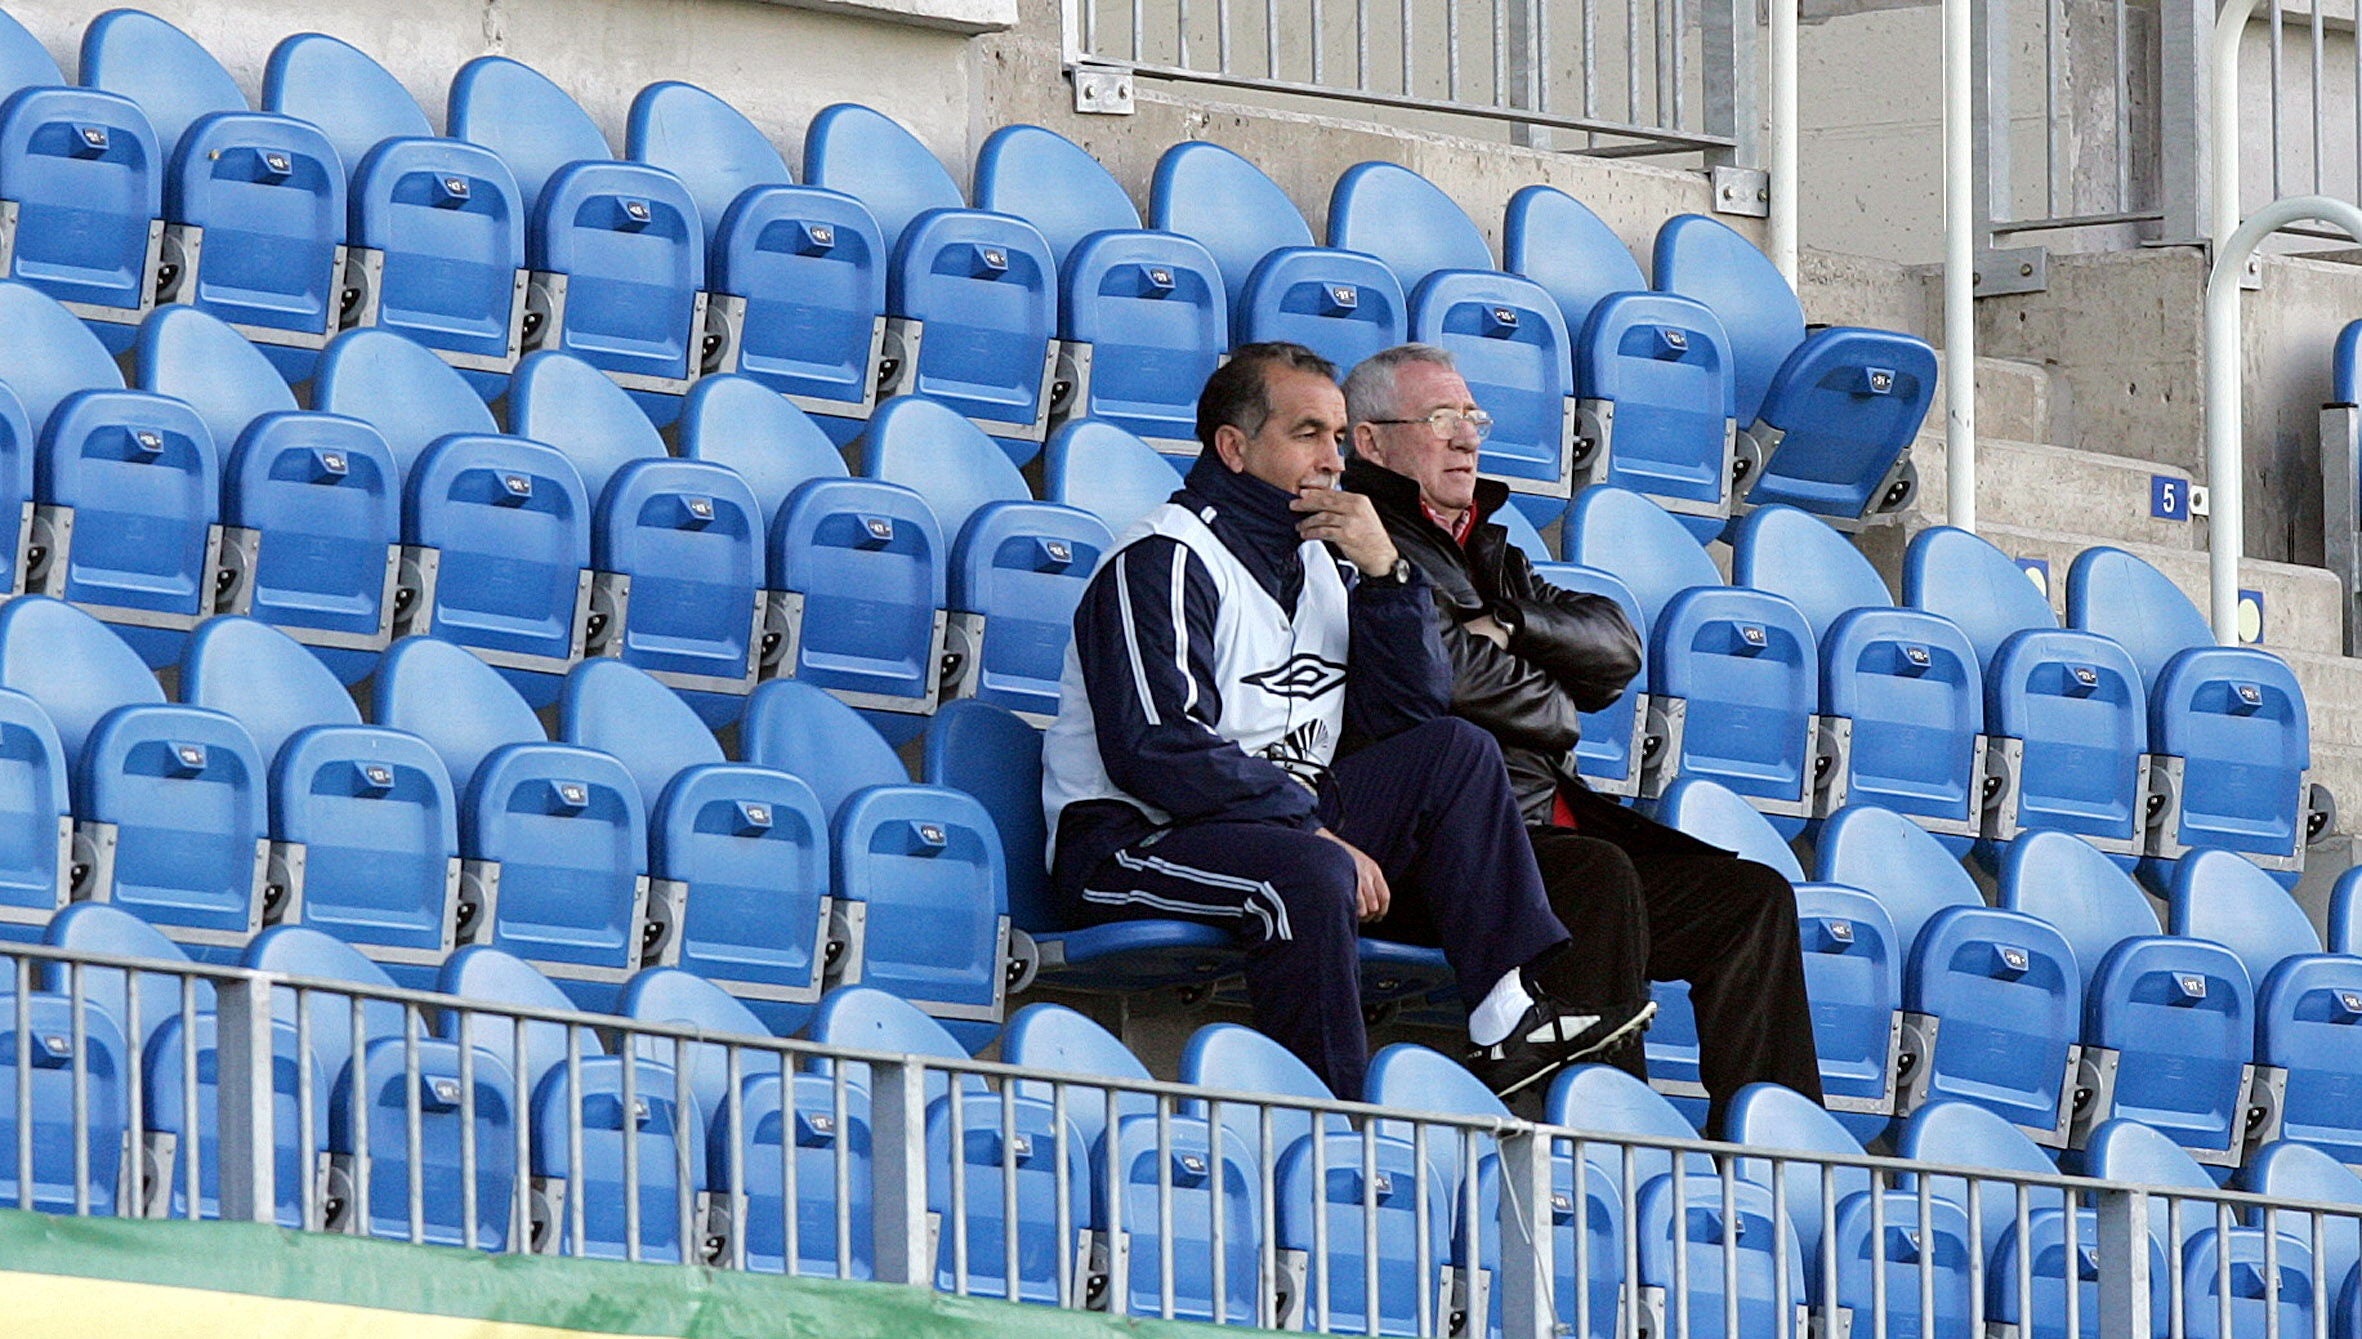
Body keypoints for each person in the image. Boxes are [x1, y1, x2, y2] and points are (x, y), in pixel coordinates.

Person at [1041, 342, 1657, 1102]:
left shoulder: (1329, 563)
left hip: (1285, 819)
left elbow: (1410, 716)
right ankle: (1333, 1123)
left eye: (1337, 436)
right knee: (1308, 873)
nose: (1333, 458)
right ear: (1234, 447)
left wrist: (1387, 575)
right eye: (1307, 434)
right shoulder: (1163, 558)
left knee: (1456, 751)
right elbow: (1155, 747)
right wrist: (1307, 824)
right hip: (1137, 842)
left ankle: (1506, 1012)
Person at [1339, 343, 1822, 1133]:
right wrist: (1555, 705)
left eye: (1472, 418)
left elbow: (1616, 647)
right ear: (1370, 441)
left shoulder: (1490, 550)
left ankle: (1779, 1159)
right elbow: (1437, 674)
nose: (1467, 438)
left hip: (1542, 832)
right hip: (1440, 852)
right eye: (1439, 420)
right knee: (1598, 876)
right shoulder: (1357, 541)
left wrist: (1512, 622)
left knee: (1751, 900)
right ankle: (1611, 1139)